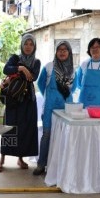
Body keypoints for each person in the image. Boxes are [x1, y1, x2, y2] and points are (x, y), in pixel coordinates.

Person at [0, 33, 41, 173]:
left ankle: (20, 158)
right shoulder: (15, 58)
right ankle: (2, 159)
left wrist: (16, 72)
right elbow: (6, 69)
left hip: (27, 101)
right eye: (26, 44)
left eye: (31, 44)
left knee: (25, 130)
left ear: (34, 47)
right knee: (9, 128)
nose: (28, 47)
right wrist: (21, 68)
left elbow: (32, 77)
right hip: (14, 99)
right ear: (22, 45)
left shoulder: (36, 62)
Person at [33, 41, 75, 176]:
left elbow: (73, 88)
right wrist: (49, 95)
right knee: (47, 135)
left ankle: (60, 166)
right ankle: (41, 164)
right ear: (56, 52)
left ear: (69, 53)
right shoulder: (49, 67)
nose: (62, 52)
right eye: (59, 50)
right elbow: (40, 83)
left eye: (65, 50)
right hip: (50, 106)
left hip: (66, 107)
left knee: (64, 136)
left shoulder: (74, 70)